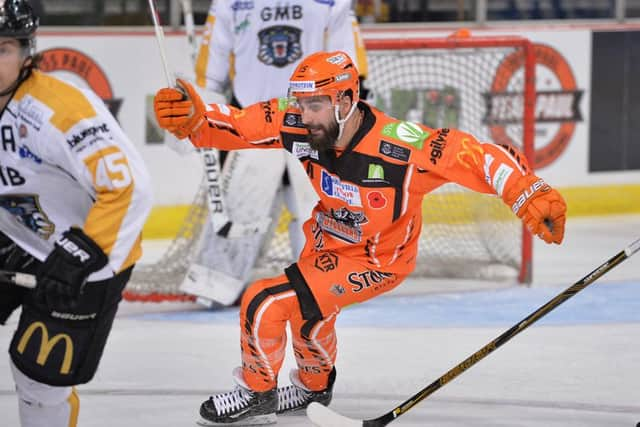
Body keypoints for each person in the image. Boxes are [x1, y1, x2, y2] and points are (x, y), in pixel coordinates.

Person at [154, 50, 566, 425]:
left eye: (315, 105)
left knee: (264, 301)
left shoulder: (402, 146)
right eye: (300, 104)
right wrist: (194, 118)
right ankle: (313, 389)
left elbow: (479, 154)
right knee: (308, 319)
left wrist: (525, 191)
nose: (304, 114)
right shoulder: (301, 122)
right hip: (326, 242)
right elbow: (239, 125)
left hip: (377, 260)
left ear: (346, 102)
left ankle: (258, 395)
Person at [0, 1, 153, 426]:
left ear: (27, 52)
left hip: (90, 256)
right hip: (16, 237)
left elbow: (129, 188)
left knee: (39, 377)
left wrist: (80, 254)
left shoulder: (59, 109)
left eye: (3, 48)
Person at [181, 0, 369, 306]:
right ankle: (214, 285)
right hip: (253, 118)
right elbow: (211, 70)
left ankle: (321, 280)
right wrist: (203, 108)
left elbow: (349, 64)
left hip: (313, 120)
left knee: (317, 205)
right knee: (242, 203)